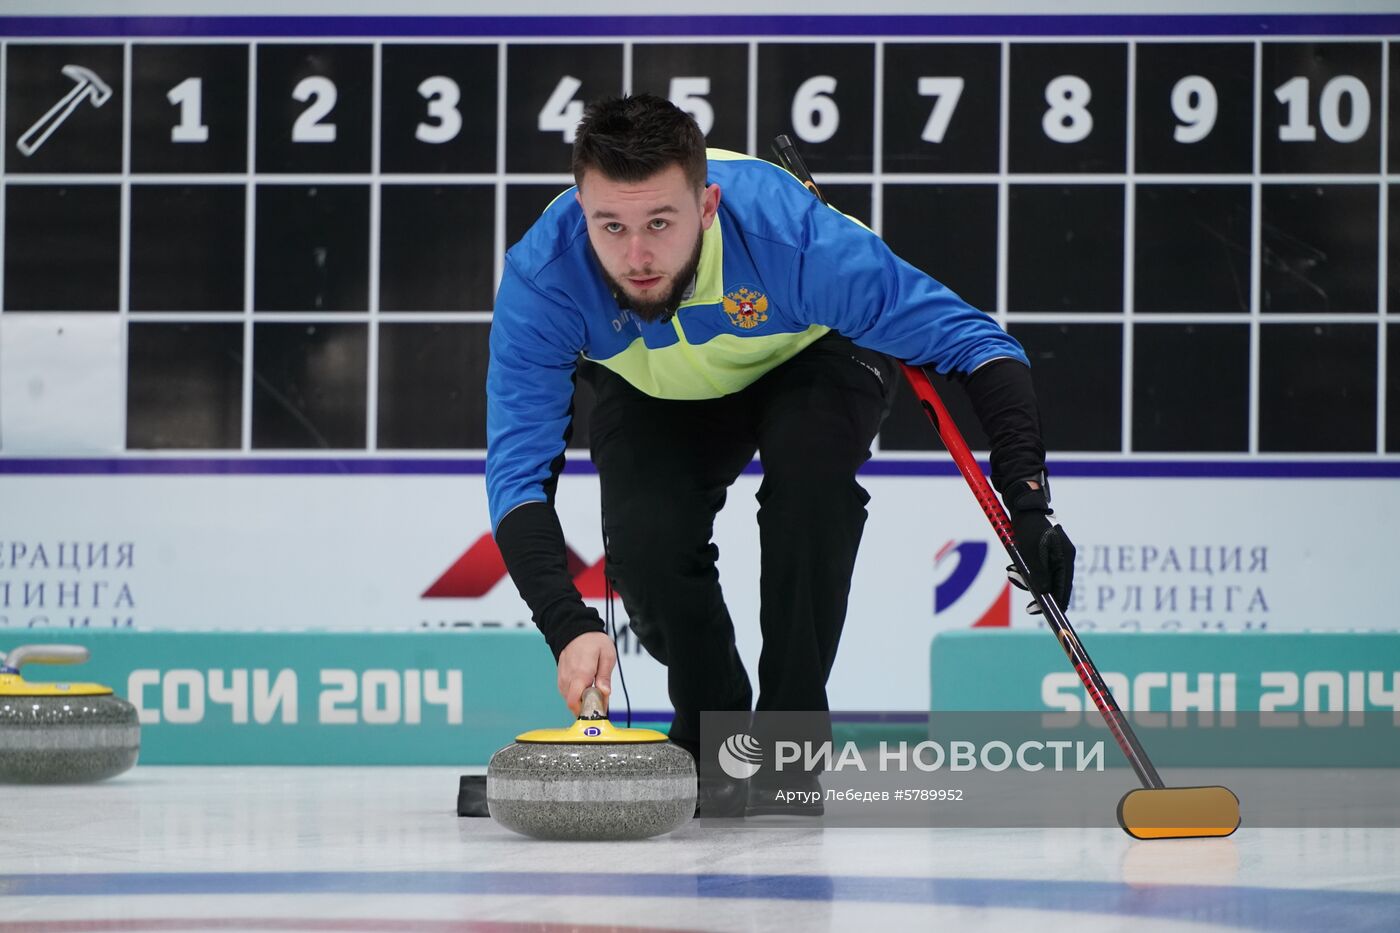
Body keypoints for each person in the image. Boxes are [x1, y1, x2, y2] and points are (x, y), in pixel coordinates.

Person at [486, 94, 1075, 800]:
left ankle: (789, 742)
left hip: (811, 354)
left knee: (811, 488)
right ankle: (711, 737)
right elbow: (517, 475)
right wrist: (566, 625)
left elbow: (979, 345)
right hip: (655, 384)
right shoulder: (545, 275)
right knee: (645, 541)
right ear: (581, 209)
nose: (636, 255)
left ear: (708, 206)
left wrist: (1028, 503)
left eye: (660, 223)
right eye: (611, 225)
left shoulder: (794, 240)